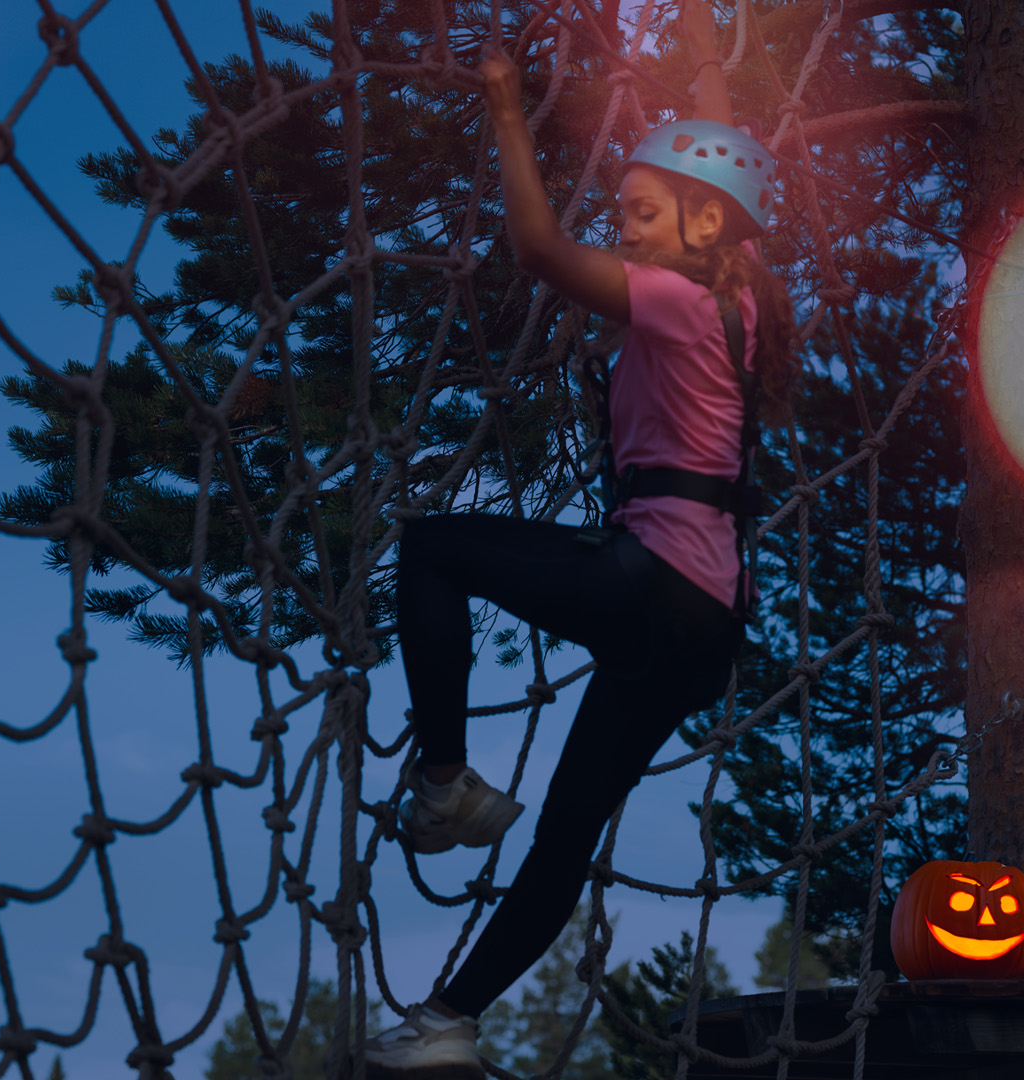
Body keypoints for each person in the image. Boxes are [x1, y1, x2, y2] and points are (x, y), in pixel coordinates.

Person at [360, 32, 800, 1080]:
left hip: (654, 579)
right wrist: (702, 48)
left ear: (704, 222)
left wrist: (508, 107)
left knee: (433, 549)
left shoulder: (680, 300)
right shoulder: (740, 298)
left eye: (642, 213)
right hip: (707, 626)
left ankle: (445, 781)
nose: (625, 229)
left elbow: (538, 250)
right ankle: (449, 1022)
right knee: (564, 836)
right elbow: (721, 154)